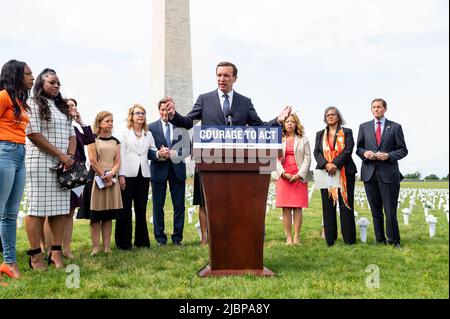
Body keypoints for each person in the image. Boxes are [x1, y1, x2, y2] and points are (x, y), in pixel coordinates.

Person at [167, 61, 292, 245]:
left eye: (226, 75)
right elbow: (187, 122)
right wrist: (173, 116)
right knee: (206, 201)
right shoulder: (204, 99)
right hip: (208, 159)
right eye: (218, 75)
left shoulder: (244, 102)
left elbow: (258, 126)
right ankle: (206, 238)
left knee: (235, 201)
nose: (221, 79)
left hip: (238, 161)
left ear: (235, 78)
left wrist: (277, 120)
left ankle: (235, 236)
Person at [25, 68, 75, 270]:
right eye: (51, 82)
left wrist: (69, 156)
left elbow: (71, 134)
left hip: (63, 165)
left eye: (58, 84)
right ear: (41, 83)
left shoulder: (62, 107)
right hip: (40, 163)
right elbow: (34, 134)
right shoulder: (33, 103)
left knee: (61, 211)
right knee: (36, 210)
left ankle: (55, 254)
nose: (56, 86)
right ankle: (35, 256)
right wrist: (60, 155)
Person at [356, 98, 408, 249]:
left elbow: (403, 150)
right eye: (374, 107)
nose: (376, 109)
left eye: (379, 107)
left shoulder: (395, 127)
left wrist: (389, 155)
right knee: (375, 209)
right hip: (369, 174)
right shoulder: (364, 127)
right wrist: (364, 153)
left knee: (390, 209)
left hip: (389, 174)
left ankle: (394, 240)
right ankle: (380, 239)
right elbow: (358, 148)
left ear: (385, 109)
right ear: (371, 110)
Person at [0, 59, 34, 279]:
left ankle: (9, 263)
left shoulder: (20, 102)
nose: (32, 77)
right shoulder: (3, 96)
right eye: (28, 74)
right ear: (16, 75)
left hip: (20, 154)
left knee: (10, 214)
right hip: (4, 153)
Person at [78, 111, 123, 255]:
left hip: (111, 179)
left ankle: (107, 247)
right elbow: (92, 160)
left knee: (108, 215)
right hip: (96, 179)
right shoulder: (92, 139)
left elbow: (118, 161)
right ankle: (96, 247)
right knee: (96, 216)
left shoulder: (116, 141)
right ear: (99, 123)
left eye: (111, 121)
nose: (110, 124)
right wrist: (103, 175)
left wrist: (111, 174)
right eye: (107, 121)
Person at [314, 107, 357, 247]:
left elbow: (348, 150)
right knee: (327, 206)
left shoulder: (347, 132)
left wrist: (335, 164)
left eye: (333, 114)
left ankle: (349, 240)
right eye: (328, 115)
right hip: (325, 173)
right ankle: (330, 240)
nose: (330, 117)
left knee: (346, 205)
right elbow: (317, 152)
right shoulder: (320, 134)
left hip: (345, 172)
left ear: (338, 117)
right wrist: (326, 164)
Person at [148, 98, 189, 246]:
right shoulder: (151, 127)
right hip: (158, 170)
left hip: (177, 170)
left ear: (172, 110)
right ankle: (160, 239)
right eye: (163, 109)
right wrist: (158, 154)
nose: (166, 112)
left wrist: (174, 153)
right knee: (158, 206)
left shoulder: (181, 126)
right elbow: (147, 151)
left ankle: (177, 238)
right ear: (159, 110)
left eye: (168, 109)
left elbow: (187, 149)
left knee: (179, 206)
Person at [116, 104, 156, 250]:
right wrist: (121, 175)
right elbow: (120, 155)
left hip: (144, 175)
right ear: (131, 116)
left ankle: (142, 242)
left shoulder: (148, 134)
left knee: (141, 208)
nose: (141, 115)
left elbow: (153, 150)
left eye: (143, 113)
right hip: (127, 174)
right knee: (125, 209)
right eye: (137, 113)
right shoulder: (125, 132)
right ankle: (123, 243)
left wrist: (160, 153)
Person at [272, 114, 311, 245]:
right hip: (283, 177)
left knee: (298, 208)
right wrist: (283, 173)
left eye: (292, 122)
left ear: (296, 124)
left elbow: (307, 158)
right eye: (287, 121)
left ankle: (296, 237)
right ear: (283, 124)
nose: (290, 124)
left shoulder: (303, 139)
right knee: (286, 209)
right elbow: (275, 159)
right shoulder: (278, 139)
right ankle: (288, 238)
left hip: (298, 177)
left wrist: (300, 175)